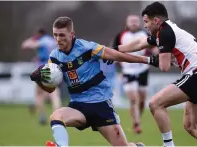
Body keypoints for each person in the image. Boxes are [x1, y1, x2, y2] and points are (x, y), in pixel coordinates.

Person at [30, 16, 158, 146]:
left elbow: (118, 55)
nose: (58, 39)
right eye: (55, 35)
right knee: (56, 116)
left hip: (100, 104)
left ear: (72, 34)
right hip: (78, 106)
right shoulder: (54, 56)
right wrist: (40, 80)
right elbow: (52, 88)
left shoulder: (87, 47)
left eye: (62, 35)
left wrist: (147, 60)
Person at [108, 2, 197, 147]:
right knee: (191, 126)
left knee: (155, 104)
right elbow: (140, 43)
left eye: (146, 22)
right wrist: (115, 50)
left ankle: (168, 145)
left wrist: (147, 60)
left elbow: (164, 66)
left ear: (156, 21)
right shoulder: (167, 30)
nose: (145, 26)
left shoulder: (165, 32)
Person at [112, 14, 151, 134]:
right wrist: (116, 62)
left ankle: (137, 116)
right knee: (133, 98)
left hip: (143, 69)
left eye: (136, 21)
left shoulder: (145, 35)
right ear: (127, 23)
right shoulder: (121, 35)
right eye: (131, 21)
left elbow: (154, 48)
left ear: (139, 23)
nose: (134, 23)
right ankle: (136, 123)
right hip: (127, 70)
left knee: (142, 100)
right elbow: (113, 50)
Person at [21, 28, 62, 125]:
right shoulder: (53, 40)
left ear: (39, 34)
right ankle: (58, 114)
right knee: (54, 93)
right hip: (53, 68)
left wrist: (33, 39)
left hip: (42, 69)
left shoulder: (41, 41)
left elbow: (25, 45)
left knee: (39, 95)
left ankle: (43, 116)